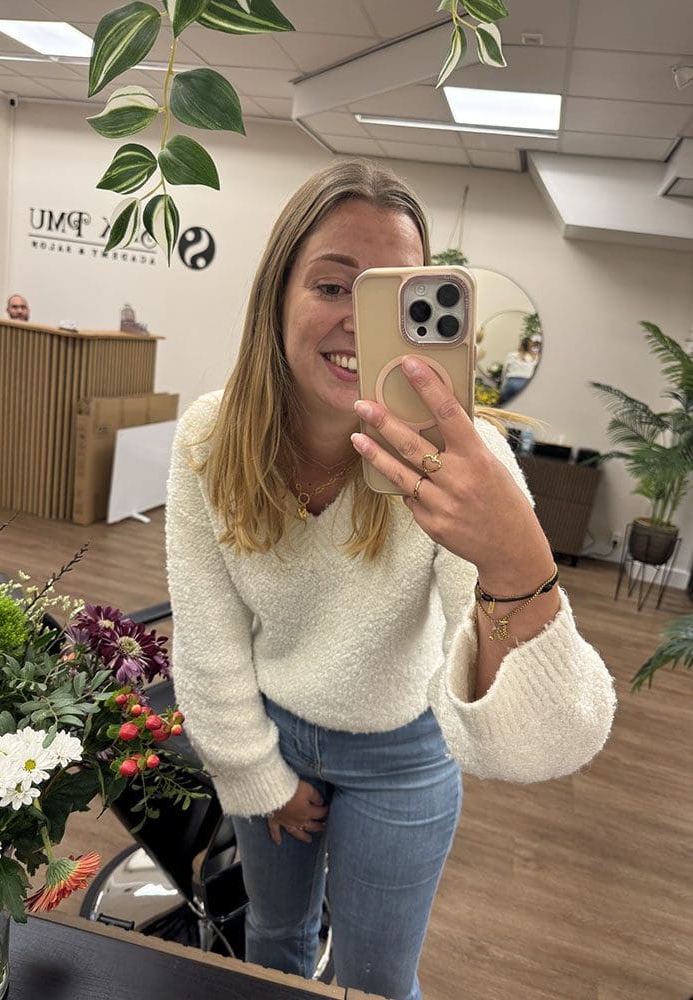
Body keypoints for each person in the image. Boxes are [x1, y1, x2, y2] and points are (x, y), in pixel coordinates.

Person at [165, 159, 616, 1000]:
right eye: (333, 286)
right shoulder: (209, 439)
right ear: (277, 296)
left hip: (402, 752)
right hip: (271, 728)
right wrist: (256, 773)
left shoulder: (461, 465)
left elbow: (551, 741)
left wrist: (517, 561)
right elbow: (207, 633)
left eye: (390, 297)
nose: (356, 323)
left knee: (377, 979)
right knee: (272, 940)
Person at [498, 332, 540, 404]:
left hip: (511, 383)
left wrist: (502, 387)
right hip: (526, 384)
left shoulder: (512, 355)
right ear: (531, 346)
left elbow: (504, 371)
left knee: (503, 405)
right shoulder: (535, 358)